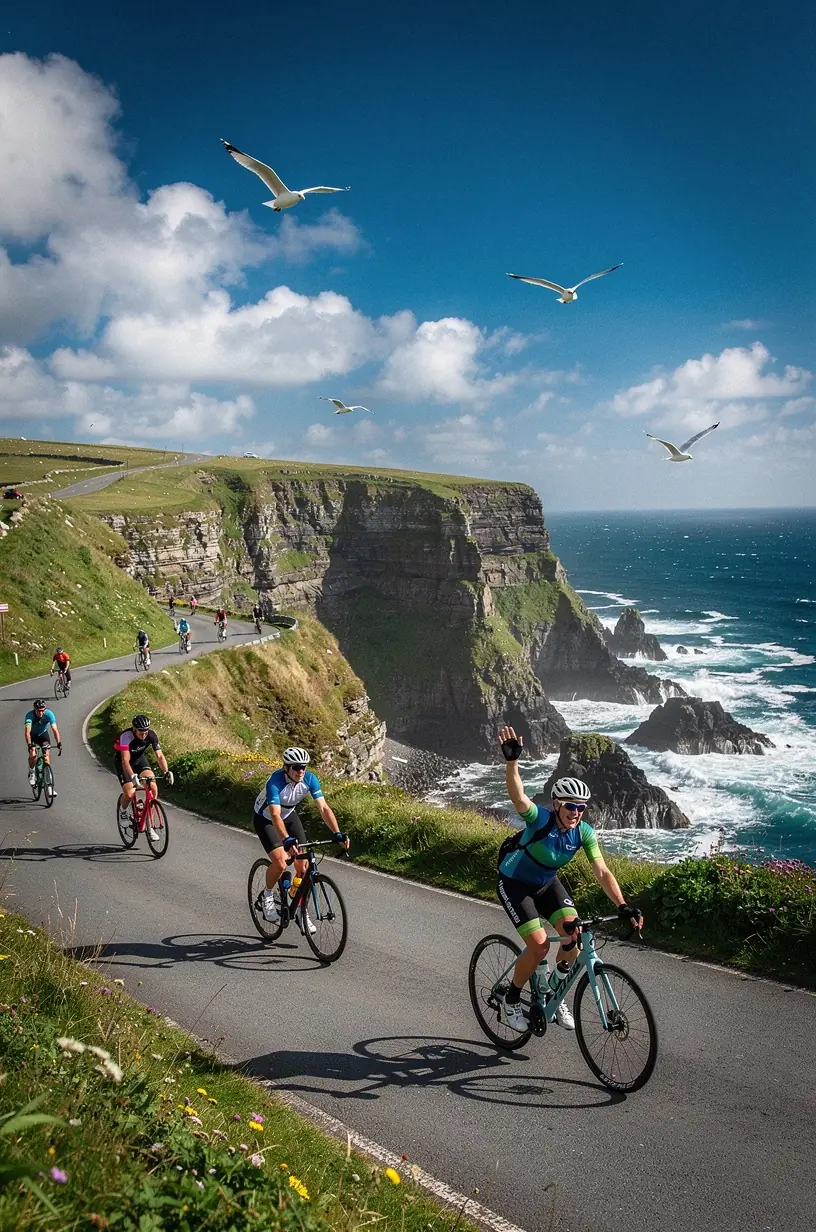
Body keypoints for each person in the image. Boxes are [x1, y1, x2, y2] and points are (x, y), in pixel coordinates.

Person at [495, 724, 642, 1033]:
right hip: (515, 883)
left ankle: (553, 993)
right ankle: (511, 999)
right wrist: (512, 763)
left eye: (581, 808)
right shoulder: (541, 820)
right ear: (558, 805)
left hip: (546, 883)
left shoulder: (583, 832)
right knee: (539, 947)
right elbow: (519, 798)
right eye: (571, 806)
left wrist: (623, 905)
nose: (576, 812)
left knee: (573, 935)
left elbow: (602, 871)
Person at [253, 747, 349, 934]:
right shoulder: (275, 782)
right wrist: (286, 839)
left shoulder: (310, 779)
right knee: (281, 863)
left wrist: (337, 833)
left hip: (289, 816)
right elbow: (275, 815)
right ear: (286, 768)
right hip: (266, 819)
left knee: (303, 866)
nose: (301, 771)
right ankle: (267, 896)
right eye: (296, 767)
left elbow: (323, 808)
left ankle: (299, 908)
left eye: (303, 767)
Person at [114, 714, 174, 840]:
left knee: (152, 786)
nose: (144, 735)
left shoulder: (151, 735)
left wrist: (166, 772)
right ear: (134, 729)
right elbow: (125, 761)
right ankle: (123, 812)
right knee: (129, 793)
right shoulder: (126, 737)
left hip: (139, 760)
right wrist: (132, 776)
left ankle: (149, 824)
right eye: (141, 732)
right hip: (124, 763)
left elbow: (159, 756)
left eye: (146, 732)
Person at [25, 699, 62, 792]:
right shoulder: (29, 715)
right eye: (38, 711)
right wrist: (29, 745)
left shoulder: (49, 714)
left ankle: (49, 787)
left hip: (43, 736)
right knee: (33, 754)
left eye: (42, 711)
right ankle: (32, 773)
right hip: (33, 736)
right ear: (35, 709)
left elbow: (55, 729)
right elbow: (27, 732)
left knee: (46, 758)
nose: (41, 713)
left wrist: (58, 742)